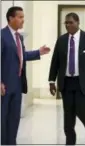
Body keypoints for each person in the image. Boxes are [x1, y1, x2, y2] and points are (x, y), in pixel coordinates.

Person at [48, 12, 85, 145]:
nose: (68, 25)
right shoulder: (61, 40)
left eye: (70, 22)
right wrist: (51, 81)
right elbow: (55, 61)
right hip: (66, 83)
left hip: (84, 82)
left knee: (81, 109)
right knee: (68, 116)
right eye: (66, 23)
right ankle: (70, 142)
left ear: (78, 22)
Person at [1, 6, 50, 145]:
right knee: (2, 119)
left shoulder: (18, 37)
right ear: (11, 18)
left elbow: (21, 56)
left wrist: (38, 52)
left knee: (14, 119)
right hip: (4, 87)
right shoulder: (2, 35)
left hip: (17, 85)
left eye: (23, 17)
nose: (23, 20)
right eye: (20, 17)